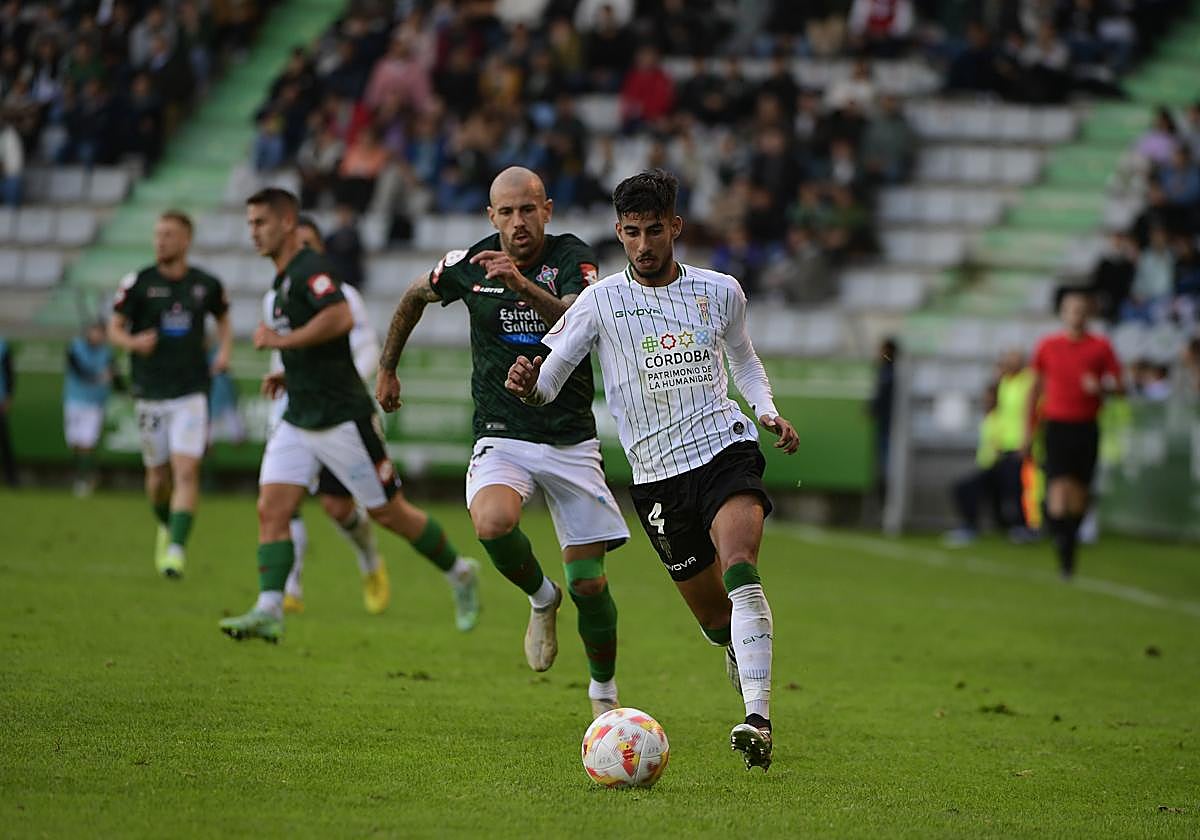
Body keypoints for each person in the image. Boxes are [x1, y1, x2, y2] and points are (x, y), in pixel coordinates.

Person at [505, 169, 800, 771]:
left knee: (742, 567)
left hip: (724, 448)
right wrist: (529, 385)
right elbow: (551, 380)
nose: (643, 245)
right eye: (632, 233)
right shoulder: (599, 301)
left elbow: (744, 361)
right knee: (715, 616)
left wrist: (766, 412)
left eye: (655, 231)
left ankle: (758, 719)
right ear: (618, 231)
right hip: (657, 478)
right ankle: (733, 645)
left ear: (676, 227)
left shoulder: (721, 291)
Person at [376, 166, 630, 718]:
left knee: (589, 584)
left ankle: (604, 696)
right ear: (491, 216)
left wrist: (520, 284)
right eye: (507, 212)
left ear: (549, 209)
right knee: (491, 522)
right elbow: (413, 296)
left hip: (569, 438)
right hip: (503, 432)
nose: (519, 221)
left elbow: (579, 320)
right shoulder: (470, 264)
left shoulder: (572, 259)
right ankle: (541, 598)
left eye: (529, 209)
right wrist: (388, 368)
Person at [219, 188, 479, 643]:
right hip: (300, 417)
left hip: (342, 418)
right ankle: (269, 609)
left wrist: (282, 344)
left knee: (390, 514)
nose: (253, 232)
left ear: (286, 223)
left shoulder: (311, 271)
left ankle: (459, 572)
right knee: (272, 508)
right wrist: (286, 371)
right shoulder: (280, 285)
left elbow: (337, 318)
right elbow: (312, 342)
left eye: (260, 222)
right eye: (250, 223)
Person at [269, 216, 391, 615]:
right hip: (292, 412)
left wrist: (335, 383)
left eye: (308, 244)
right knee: (280, 502)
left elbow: (369, 350)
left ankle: (369, 559)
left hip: (336, 411)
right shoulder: (276, 296)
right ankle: (288, 588)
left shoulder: (343, 296)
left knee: (339, 508)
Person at [108, 210, 232, 578]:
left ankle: (176, 550)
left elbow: (223, 318)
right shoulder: (139, 283)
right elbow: (114, 328)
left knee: (187, 469)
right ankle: (165, 525)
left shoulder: (205, 284)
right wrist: (132, 342)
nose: (160, 240)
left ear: (186, 240)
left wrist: (224, 351)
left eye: (168, 234)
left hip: (192, 391)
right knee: (159, 477)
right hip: (150, 391)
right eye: (157, 234)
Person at [1026, 289, 1124, 580]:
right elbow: (1035, 389)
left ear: (1088, 313)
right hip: (1056, 425)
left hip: (1086, 426)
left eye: (1082, 310)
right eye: (1071, 309)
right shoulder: (1048, 346)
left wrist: (1102, 388)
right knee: (1057, 489)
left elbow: (1121, 386)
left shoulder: (1101, 347)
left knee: (1079, 495)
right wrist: (1028, 430)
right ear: (1063, 313)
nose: (1077, 315)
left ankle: (1067, 542)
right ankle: (1064, 550)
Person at [64, 321, 117, 496]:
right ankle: (84, 474)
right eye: (94, 331)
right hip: (74, 400)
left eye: (100, 332)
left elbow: (114, 374)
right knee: (75, 442)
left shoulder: (107, 353)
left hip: (94, 403)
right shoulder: (75, 347)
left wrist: (122, 387)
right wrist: (97, 377)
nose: (97, 335)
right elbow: (77, 369)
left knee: (88, 442)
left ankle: (86, 479)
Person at [0, 333, 16, 485]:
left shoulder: (2, 346)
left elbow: (9, 373)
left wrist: (8, 395)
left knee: (4, 441)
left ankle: (12, 478)